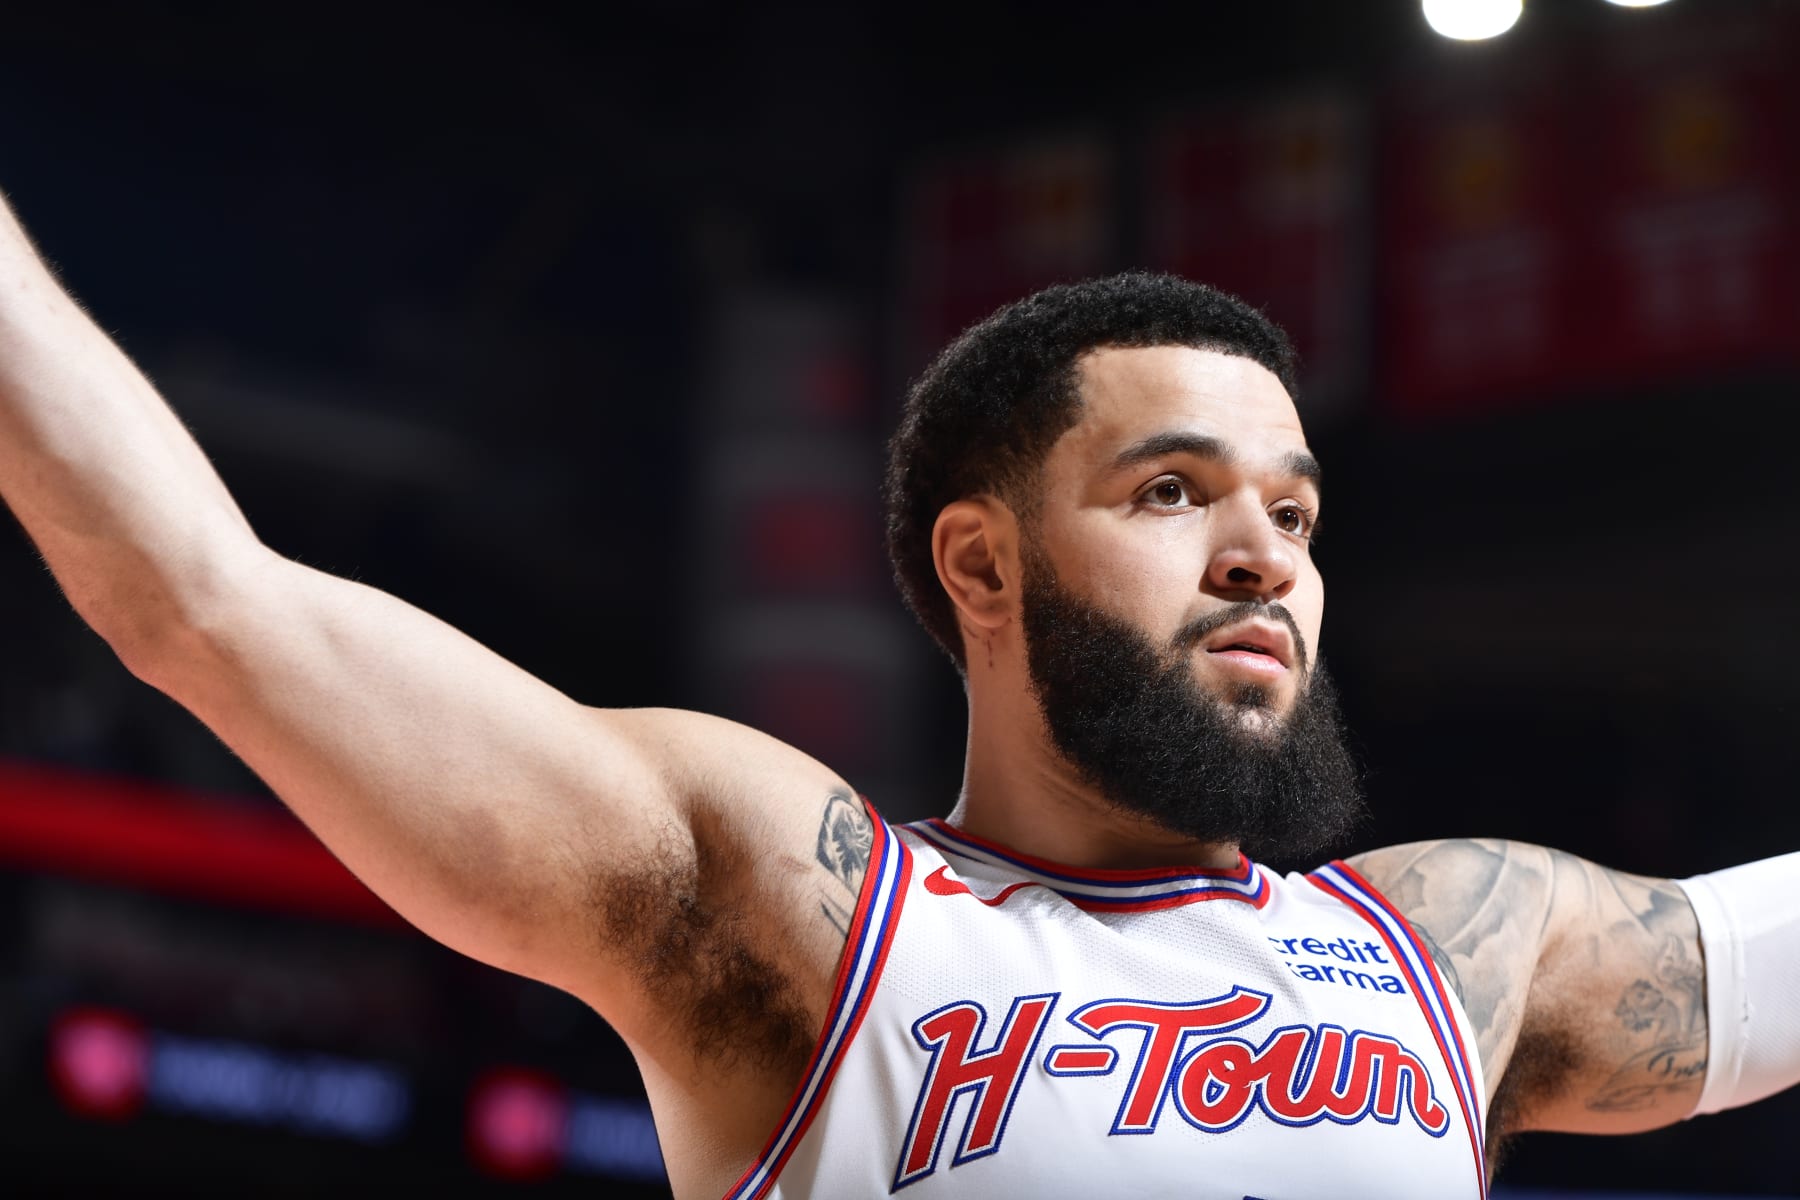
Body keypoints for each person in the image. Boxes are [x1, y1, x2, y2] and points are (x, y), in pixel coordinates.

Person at [0, 193, 1793, 1199]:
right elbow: (202, 599)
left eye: (1297, 513)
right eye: (1174, 492)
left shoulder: (1455, 956)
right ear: (982, 568)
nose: (1264, 555)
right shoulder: (805, 912)